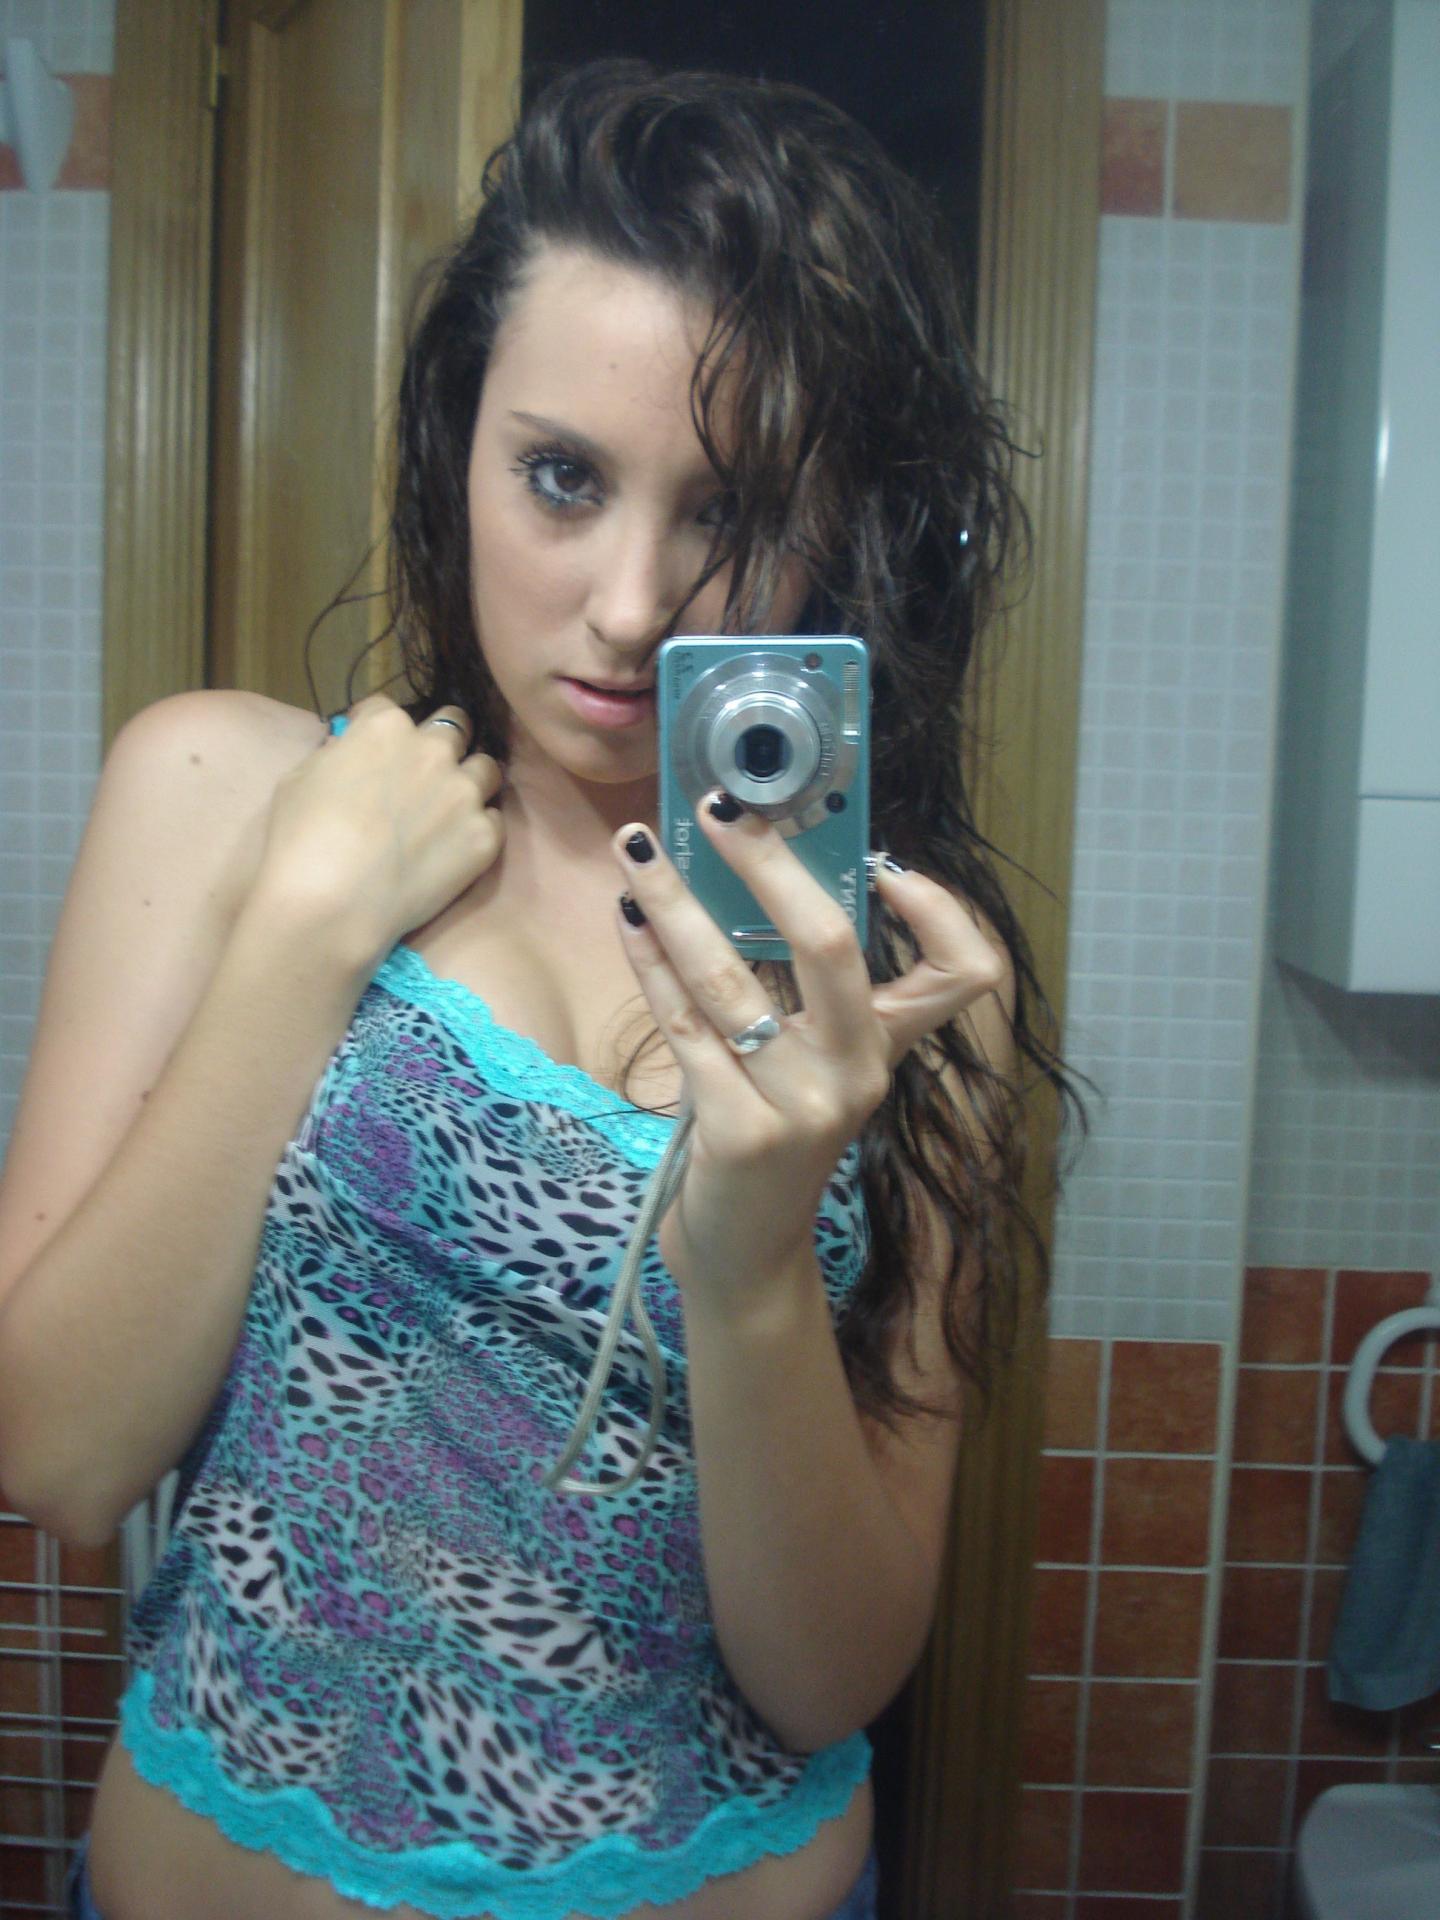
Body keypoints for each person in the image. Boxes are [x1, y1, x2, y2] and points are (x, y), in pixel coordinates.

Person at [0, 57, 1082, 1920]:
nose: (632, 604)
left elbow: (826, 1679)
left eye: (732, 509)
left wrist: (751, 1257)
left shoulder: (905, 984)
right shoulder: (223, 789)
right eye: (562, 478)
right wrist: (301, 940)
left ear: (843, 529)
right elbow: (62, 1457)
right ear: (458, 446)